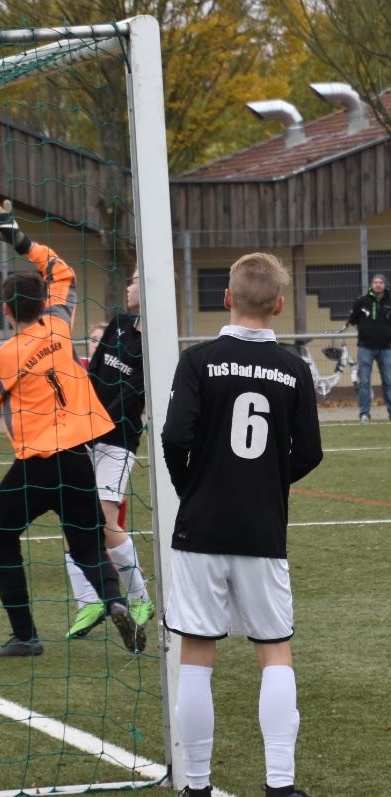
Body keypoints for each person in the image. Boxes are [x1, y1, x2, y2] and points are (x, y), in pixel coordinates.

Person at [0, 199, 145, 657]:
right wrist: (18, 237)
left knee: (1, 536)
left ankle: (25, 635)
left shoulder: (2, 357)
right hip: (79, 459)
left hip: (36, 465)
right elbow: (62, 271)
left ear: (8, 312)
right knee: (87, 541)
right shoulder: (58, 328)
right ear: (40, 304)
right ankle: (115, 600)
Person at [161, 252, 323, 797]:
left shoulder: (198, 360)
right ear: (279, 305)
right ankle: (280, 785)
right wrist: (270, 482)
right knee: (274, 650)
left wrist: (193, 488)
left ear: (226, 298)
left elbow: (174, 437)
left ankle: (198, 787)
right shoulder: (295, 369)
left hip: (200, 528)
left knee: (197, 654)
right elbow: (311, 453)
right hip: (261, 529)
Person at [66, 267, 155, 637]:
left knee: (103, 521)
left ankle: (140, 597)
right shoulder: (117, 325)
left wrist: (96, 425)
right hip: (85, 433)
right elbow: (94, 376)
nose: (129, 285)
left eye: (135, 279)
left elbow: (131, 396)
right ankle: (88, 605)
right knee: (73, 520)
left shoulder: (156, 342)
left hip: (118, 441)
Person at [346, 272, 391, 423]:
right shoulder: (361, 301)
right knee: (364, 382)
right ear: (372, 285)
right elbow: (352, 320)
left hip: (387, 348)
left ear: (385, 285)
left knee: (389, 381)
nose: (378, 284)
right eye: (375, 282)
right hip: (365, 348)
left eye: (381, 282)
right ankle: (364, 414)